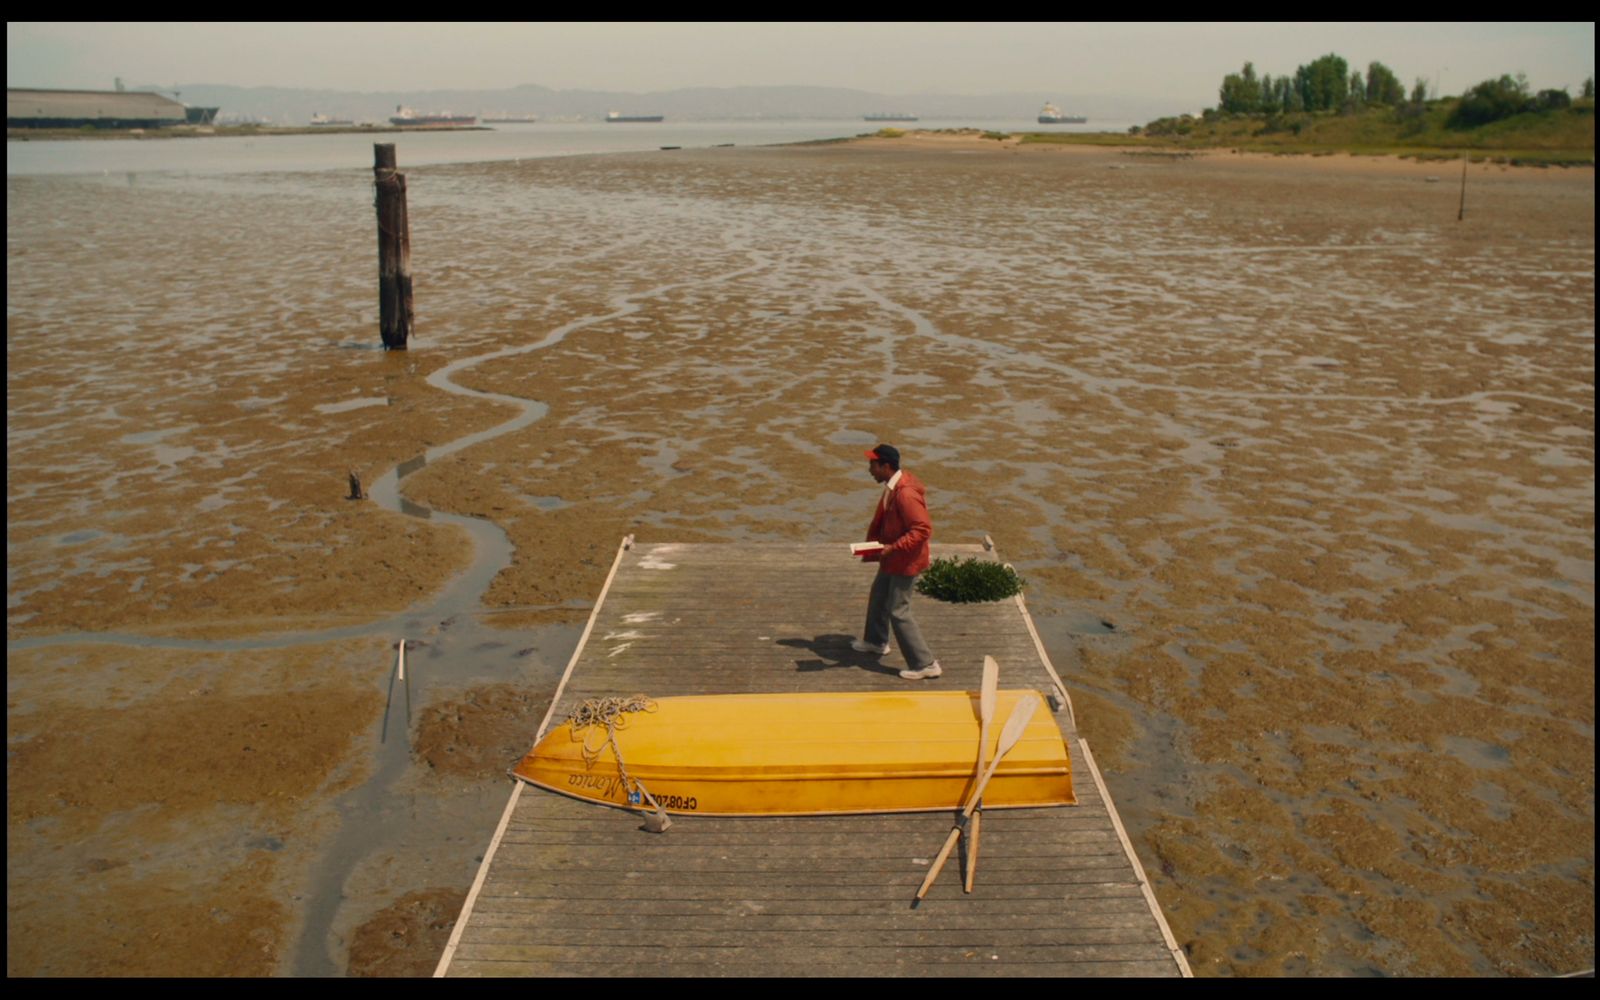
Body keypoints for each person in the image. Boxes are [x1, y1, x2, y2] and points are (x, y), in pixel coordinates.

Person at [854, 444, 942, 680]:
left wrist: (894, 547)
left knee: (898, 611)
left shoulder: (905, 494)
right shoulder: (894, 486)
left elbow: (922, 529)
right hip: (893, 557)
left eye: (872, 465)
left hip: (905, 560)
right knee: (879, 596)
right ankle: (876, 641)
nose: (869, 469)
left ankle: (926, 663)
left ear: (886, 466)